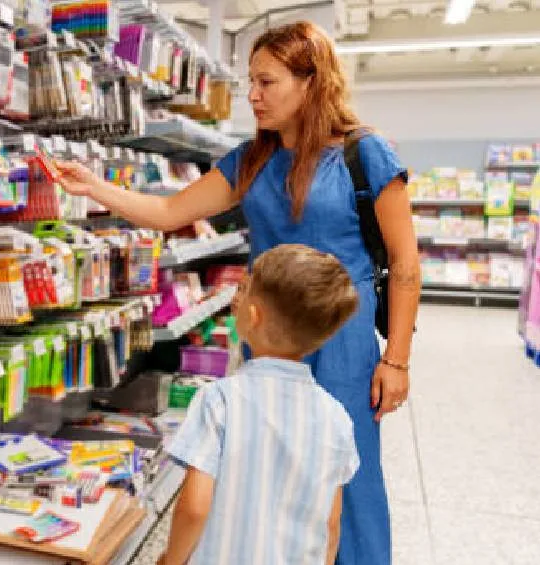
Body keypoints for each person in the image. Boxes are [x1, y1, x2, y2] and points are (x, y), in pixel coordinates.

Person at [54, 20, 418, 565]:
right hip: (269, 333)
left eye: (266, 82)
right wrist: (95, 187)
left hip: (342, 340)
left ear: (310, 81)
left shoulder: (363, 157)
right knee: (261, 469)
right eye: (251, 80)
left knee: (351, 475)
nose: (252, 95)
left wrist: (398, 360)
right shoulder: (250, 161)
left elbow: (406, 265)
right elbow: (170, 212)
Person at [158, 244, 361, 565]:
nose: (236, 299)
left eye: (244, 290)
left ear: (252, 316)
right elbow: (331, 523)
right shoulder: (336, 417)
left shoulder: (220, 400)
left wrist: (171, 560)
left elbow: (194, 508)